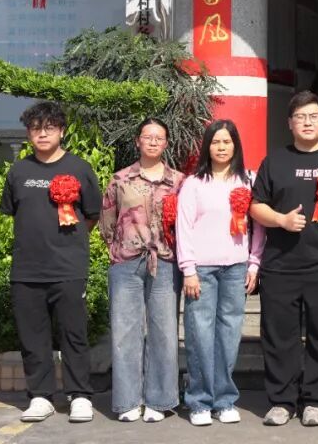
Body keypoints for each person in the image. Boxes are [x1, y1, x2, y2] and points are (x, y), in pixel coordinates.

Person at [248, 91, 318, 427]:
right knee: (280, 336)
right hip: (281, 265)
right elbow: (255, 205)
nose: (307, 122)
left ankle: (316, 400)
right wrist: (281, 220)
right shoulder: (274, 161)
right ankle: (282, 401)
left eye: (314, 117)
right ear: (289, 123)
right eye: (300, 117)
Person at [0, 101, 101, 424]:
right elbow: (13, 212)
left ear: (61, 131)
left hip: (68, 268)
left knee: (74, 334)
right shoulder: (19, 171)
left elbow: (91, 215)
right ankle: (40, 396)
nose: (42, 134)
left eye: (49, 128)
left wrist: (67, 244)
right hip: (26, 269)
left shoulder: (80, 168)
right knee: (33, 337)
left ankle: (79, 396)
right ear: (28, 133)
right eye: (35, 129)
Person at [176, 120, 263, 426]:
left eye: (227, 141)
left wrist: (254, 262)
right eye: (216, 142)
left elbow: (258, 226)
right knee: (199, 335)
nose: (222, 147)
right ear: (207, 147)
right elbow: (184, 227)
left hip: (236, 268)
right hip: (201, 269)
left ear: (235, 145)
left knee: (228, 335)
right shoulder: (194, 184)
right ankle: (199, 400)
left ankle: (224, 400)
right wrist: (188, 269)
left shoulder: (248, 180)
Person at [99, 117, 185, 423]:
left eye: (159, 137)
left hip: (165, 261)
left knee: (164, 332)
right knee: (125, 332)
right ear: (137, 141)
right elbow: (107, 221)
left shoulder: (179, 181)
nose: (153, 141)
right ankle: (127, 401)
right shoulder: (120, 179)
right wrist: (120, 247)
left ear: (166, 143)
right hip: (126, 261)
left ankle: (159, 400)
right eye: (147, 136)